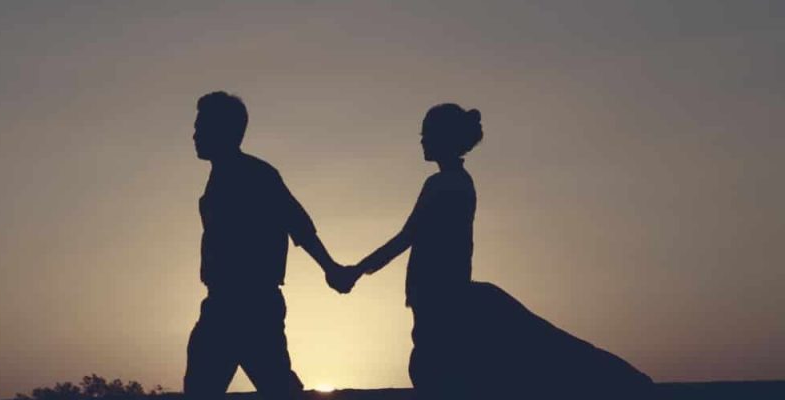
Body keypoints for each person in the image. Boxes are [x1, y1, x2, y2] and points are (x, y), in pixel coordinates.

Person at [332, 104, 653, 399]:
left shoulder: (444, 185)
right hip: (439, 292)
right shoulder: (456, 182)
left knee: (440, 373)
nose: (421, 141)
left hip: (440, 294)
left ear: (441, 138)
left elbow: (408, 238)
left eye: (426, 134)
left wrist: (357, 271)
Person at [185, 91, 353, 400]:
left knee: (260, 384)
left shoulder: (257, 175)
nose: (194, 134)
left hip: (251, 305)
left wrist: (330, 268)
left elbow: (298, 224)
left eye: (201, 126)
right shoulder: (220, 178)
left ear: (223, 131)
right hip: (223, 303)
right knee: (209, 385)